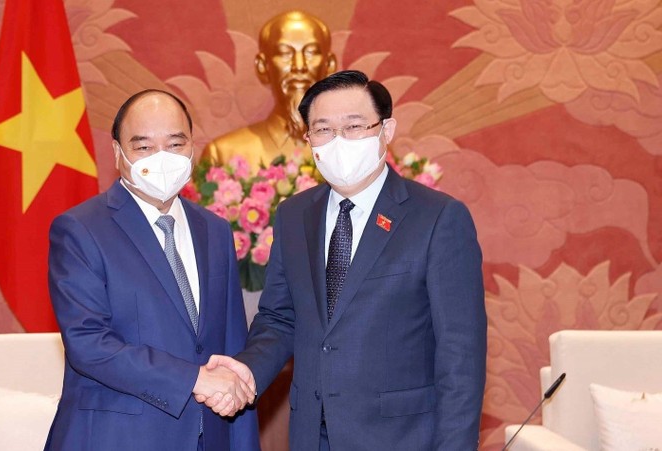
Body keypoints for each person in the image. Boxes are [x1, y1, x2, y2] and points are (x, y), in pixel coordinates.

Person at [204, 71, 487, 450]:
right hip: (311, 434)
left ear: (386, 130)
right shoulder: (294, 215)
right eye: (323, 130)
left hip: (402, 438)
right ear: (308, 139)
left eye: (353, 126)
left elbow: (460, 355)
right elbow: (280, 317)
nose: (337, 141)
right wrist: (248, 369)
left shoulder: (437, 218)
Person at [44, 89, 260, 451]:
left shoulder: (216, 230)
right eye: (143, 146)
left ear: (192, 147)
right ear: (117, 153)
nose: (161, 158)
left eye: (175, 144)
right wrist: (193, 379)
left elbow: (231, 349)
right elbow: (89, 344)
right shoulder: (80, 229)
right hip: (116, 439)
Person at [201, 10, 336, 169]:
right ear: (263, 66)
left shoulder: (352, 152)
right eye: (284, 53)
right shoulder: (224, 155)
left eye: (311, 52)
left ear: (329, 65)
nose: (299, 66)